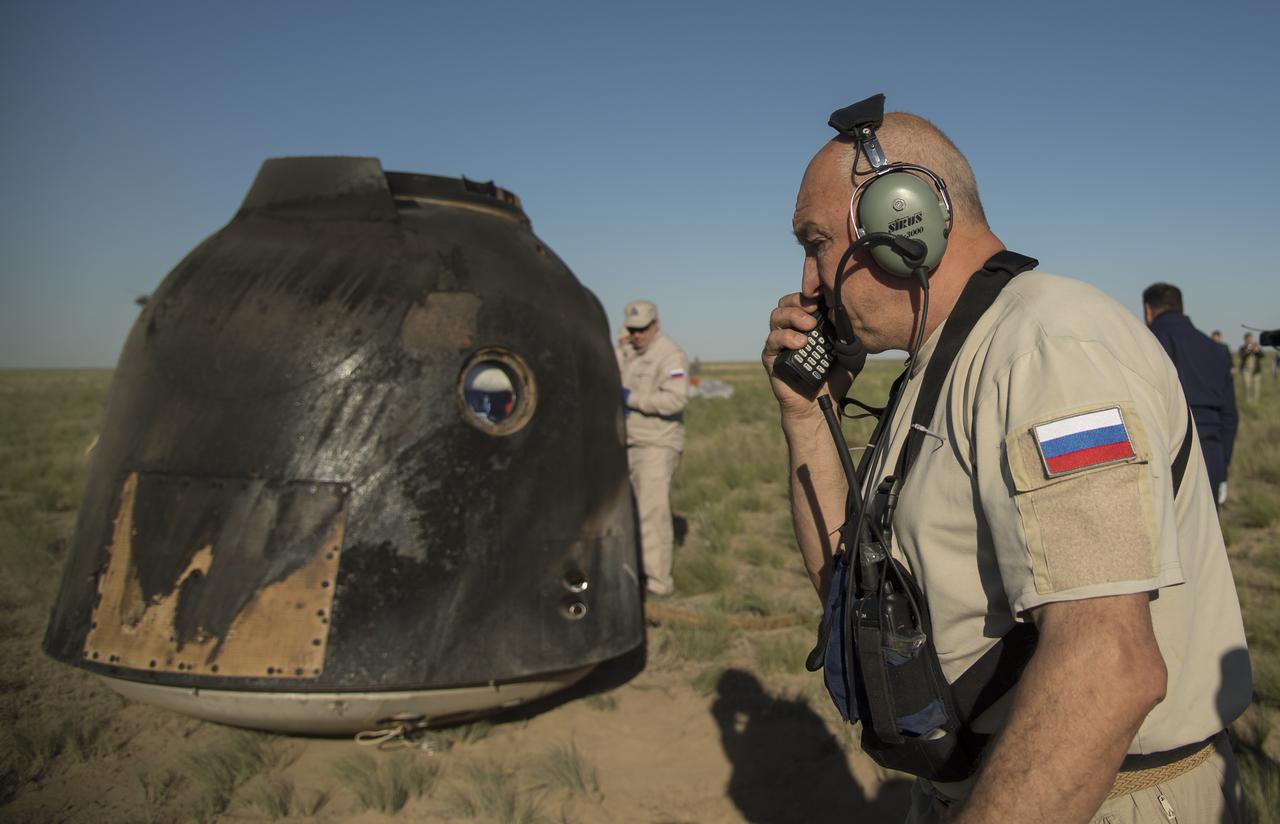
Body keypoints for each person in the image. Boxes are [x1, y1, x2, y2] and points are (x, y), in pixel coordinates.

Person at [762, 104, 1251, 823]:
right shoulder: (944, 366)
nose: (807, 283)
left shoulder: (1048, 348)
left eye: (816, 243)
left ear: (905, 221)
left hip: (1097, 799)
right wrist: (806, 420)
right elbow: (851, 595)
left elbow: (1109, 669)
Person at [616, 299, 688, 597]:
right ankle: (637, 574)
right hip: (630, 442)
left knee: (651, 515)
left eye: (643, 329)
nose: (637, 335)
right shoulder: (629, 351)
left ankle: (658, 586)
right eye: (632, 330)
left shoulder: (670, 356)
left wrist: (632, 399)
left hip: (658, 445)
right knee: (632, 513)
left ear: (656, 325)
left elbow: (675, 400)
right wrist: (620, 346)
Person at [1143, 284, 1237, 507]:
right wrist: (1222, 465)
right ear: (1181, 307)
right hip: (1210, 455)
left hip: (1163, 457)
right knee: (1205, 538)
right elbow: (1230, 416)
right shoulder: (1216, 350)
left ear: (1148, 310)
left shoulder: (1145, 344)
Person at [1239, 333, 1264, 402]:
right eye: (1248, 339)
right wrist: (1248, 350)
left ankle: (1256, 401)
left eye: (1251, 338)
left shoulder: (1256, 346)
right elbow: (1242, 356)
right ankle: (1248, 401)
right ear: (1245, 340)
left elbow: (1262, 355)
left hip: (1256, 370)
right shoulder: (1242, 348)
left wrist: (1257, 351)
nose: (1250, 340)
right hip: (1246, 370)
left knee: (1256, 387)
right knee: (1247, 386)